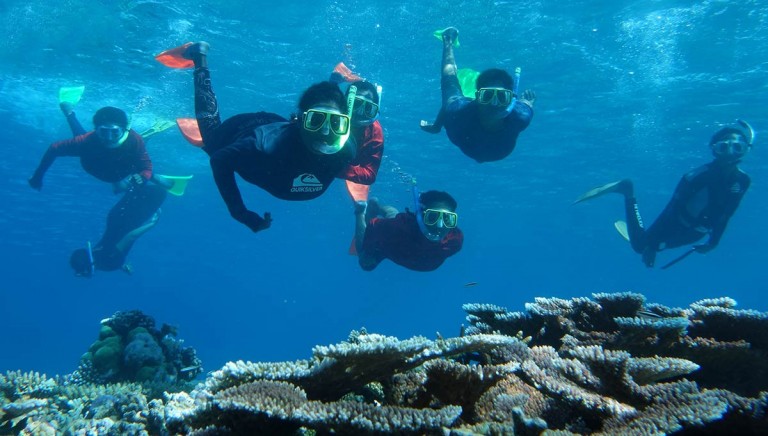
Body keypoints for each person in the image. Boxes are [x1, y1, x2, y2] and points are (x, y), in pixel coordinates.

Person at [167, 41, 357, 233]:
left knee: (324, 108)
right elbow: (219, 159)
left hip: (279, 124)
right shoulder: (262, 146)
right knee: (211, 141)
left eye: (335, 122)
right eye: (315, 120)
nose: (325, 132)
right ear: (300, 121)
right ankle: (199, 58)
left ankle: (331, 86)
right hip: (241, 128)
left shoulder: (346, 150)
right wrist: (240, 213)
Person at [574, 121, 754, 268]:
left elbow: (726, 214)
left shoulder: (743, 181)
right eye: (724, 147)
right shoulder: (696, 177)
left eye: (737, 147)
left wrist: (714, 241)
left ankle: (650, 241)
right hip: (675, 224)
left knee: (652, 246)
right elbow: (672, 209)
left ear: (745, 149)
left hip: (696, 234)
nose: (730, 153)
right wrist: (652, 243)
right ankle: (627, 190)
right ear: (714, 150)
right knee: (640, 246)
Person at [420, 27, 535, 163]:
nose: (494, 103)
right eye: (487, 96)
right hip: (473, 136)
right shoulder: (458, 111)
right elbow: (448, 75)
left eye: (502, 97)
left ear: (511, 100)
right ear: (478, 98)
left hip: (479, 146)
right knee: (451, 89)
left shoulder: (521, 116)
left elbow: (526, 105)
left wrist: (527, 102)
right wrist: (447, 40)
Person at [29, 106, 153, 194]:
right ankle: (70, 113)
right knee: (82, 140)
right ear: (95, 129)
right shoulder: (85, 141)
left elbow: (146, 168)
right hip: (96, 163)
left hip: (114, 166)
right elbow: (54, 148)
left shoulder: (135, 140)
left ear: (125, 129)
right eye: (104, 131)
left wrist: (143, 176)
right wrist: (38, 176)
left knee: (139, 175)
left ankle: (70, 114)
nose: (109, 138)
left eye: (115, 132)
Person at [70, 183, 167, 277]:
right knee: (134, 193)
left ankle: (143, 179)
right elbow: (112, 252)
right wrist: (122, 267)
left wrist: (152, 224)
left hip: (127, 221)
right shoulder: (99, 258)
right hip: (115, 217)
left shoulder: (107, 264)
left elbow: (130, 237)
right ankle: (134, 182)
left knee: (161, 192)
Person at [353, 190, 464, 271]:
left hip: (397, 246)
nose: (440, 226)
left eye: (448, 219)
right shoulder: (398, 227)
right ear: (420, 216)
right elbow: (373, 226)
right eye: (432, 217)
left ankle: (376, 207)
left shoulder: (455, 241)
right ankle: (360, 211)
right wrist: (368, 249)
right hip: (387, 246)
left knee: (392, 215)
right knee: (365, 262)